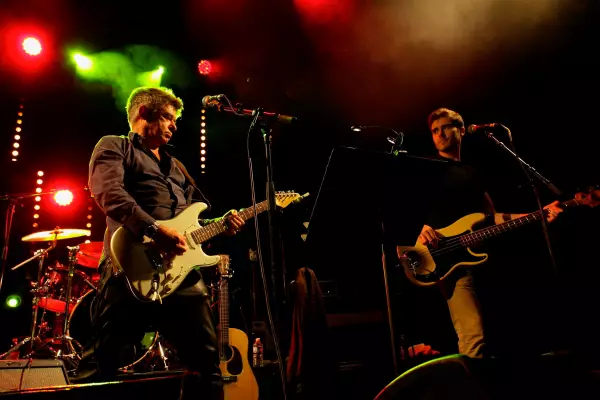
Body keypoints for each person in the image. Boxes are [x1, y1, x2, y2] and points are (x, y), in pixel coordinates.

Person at [78, 86, 245, 399]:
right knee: (100, 364)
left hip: (180, 275)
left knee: (206, 363)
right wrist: (154, 230)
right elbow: (109, 193)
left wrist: (221, 225)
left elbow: (192, 221)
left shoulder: (176, 166)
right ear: (145, 113)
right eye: (168, 118)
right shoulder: (115, 146)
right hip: (130, 267)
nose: (174, 126)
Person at [401, 107, 563, 359]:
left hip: (477, 257)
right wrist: (418, 226)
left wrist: (539, 214)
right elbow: (401, 205)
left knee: (499, 331)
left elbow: (492, 218)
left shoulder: (472, 173)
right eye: (434, 130)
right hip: (441, 258)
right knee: (473, 335)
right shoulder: (427, 168)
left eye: (445, 127)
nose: (440, 134)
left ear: (461, 130)